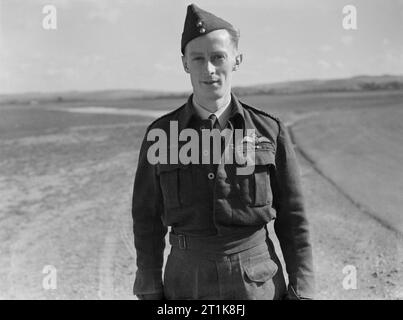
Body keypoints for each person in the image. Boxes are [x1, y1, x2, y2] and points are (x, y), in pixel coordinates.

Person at [131, 3, 315, 300]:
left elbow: (294, 219)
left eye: (218, 57)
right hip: (186, 282)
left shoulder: (270, 131)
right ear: (185, 63)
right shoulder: (161, 135)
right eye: (198, 58)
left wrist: (303, 289)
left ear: (236, 60)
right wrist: (150, 289)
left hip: (256, 282)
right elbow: (146, 221)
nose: (209, 69)